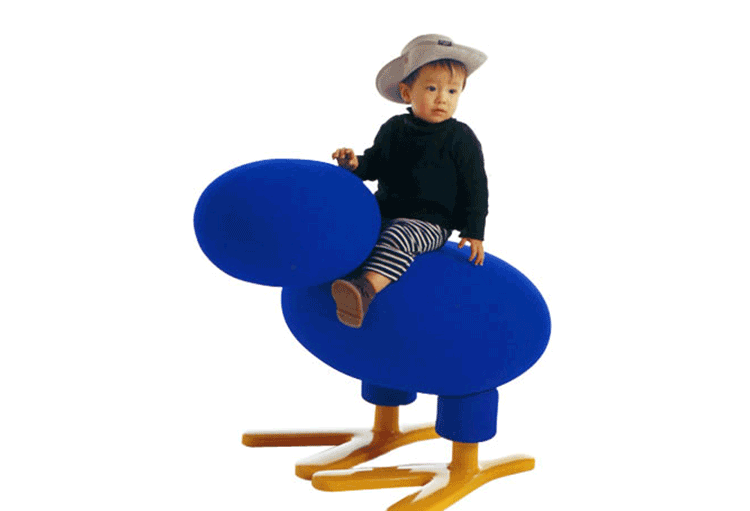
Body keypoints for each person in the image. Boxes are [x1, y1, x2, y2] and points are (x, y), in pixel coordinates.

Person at [331, 34, 489, 328]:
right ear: (406, 93)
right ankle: (333, 276)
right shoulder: (394, 128)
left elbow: (475, 187)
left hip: (430, 223)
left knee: (399, 237)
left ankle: (365, 290)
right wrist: (354, 164)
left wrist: (474, 231)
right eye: (431, 88)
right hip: (383, 212)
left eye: (452, 91)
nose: (442, 98)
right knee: (355, 227)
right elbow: (374, 163)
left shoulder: (461, 138)